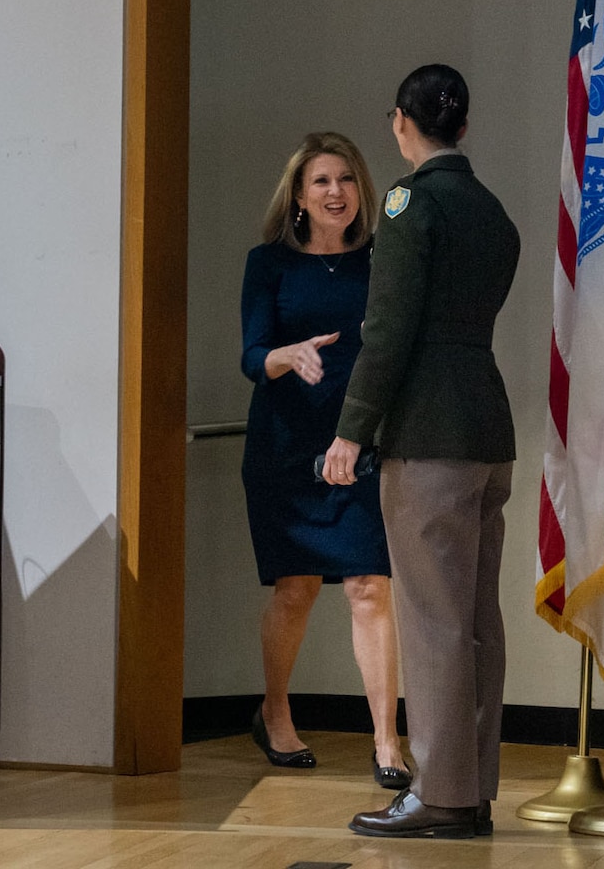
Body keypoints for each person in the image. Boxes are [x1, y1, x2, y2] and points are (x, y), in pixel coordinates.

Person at [323, 64, 520, 839]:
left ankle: (437, 795)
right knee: (475, 621)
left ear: (400, 122)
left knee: (434, 621)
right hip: (487, 427)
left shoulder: (411, 205)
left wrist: (352, 427)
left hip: (429, 433)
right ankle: (470, 791)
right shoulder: (491, 210)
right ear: (463, 127)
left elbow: (389, 329)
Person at [240, 131, 410, 789]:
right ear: (299, 197)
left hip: (361, 443)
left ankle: (387, 743)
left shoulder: (380, 260)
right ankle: (275, 714)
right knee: (296, 591)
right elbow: (253, 355)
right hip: (286, 448)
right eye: (320, 181)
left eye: (344, 179)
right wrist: (288, 355)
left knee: (370, 590)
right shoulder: (269, 264)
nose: (335, 191)